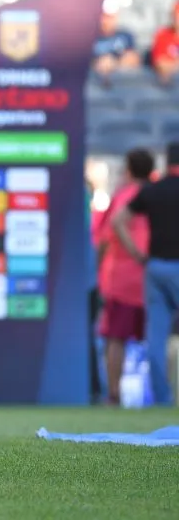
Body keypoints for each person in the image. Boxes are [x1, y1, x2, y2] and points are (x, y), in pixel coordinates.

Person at [112, 142, 179, 406]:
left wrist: (137, 254)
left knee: (156, 338)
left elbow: (118, 220)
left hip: (156, 267)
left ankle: (162, 399)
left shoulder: (153, 191)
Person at [96, 148, 154, 405]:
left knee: (115, 339)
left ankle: (114, 395)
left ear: (128, 170)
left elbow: (105, 238)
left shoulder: (122, 197)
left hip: (121, 279)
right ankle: (164, 395)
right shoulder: (158, 194)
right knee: (160, 337)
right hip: (153, 275)